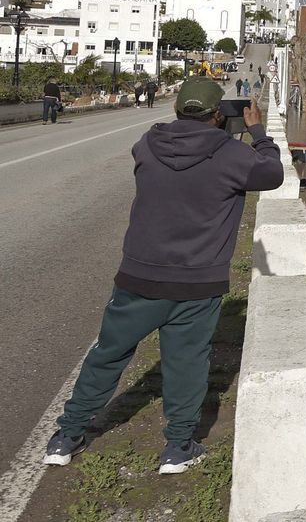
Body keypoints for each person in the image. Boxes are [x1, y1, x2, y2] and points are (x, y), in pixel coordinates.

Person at [42, 78, 283, 474]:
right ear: (219, 116)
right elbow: (271, 174)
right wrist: (256, 130)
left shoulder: (147, 145)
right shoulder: (231, 155)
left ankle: (66, 437)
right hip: (197, 282)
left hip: (139, 275)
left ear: (175, 110)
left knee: (107, 355)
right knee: (186, 362)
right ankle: (177, 448)